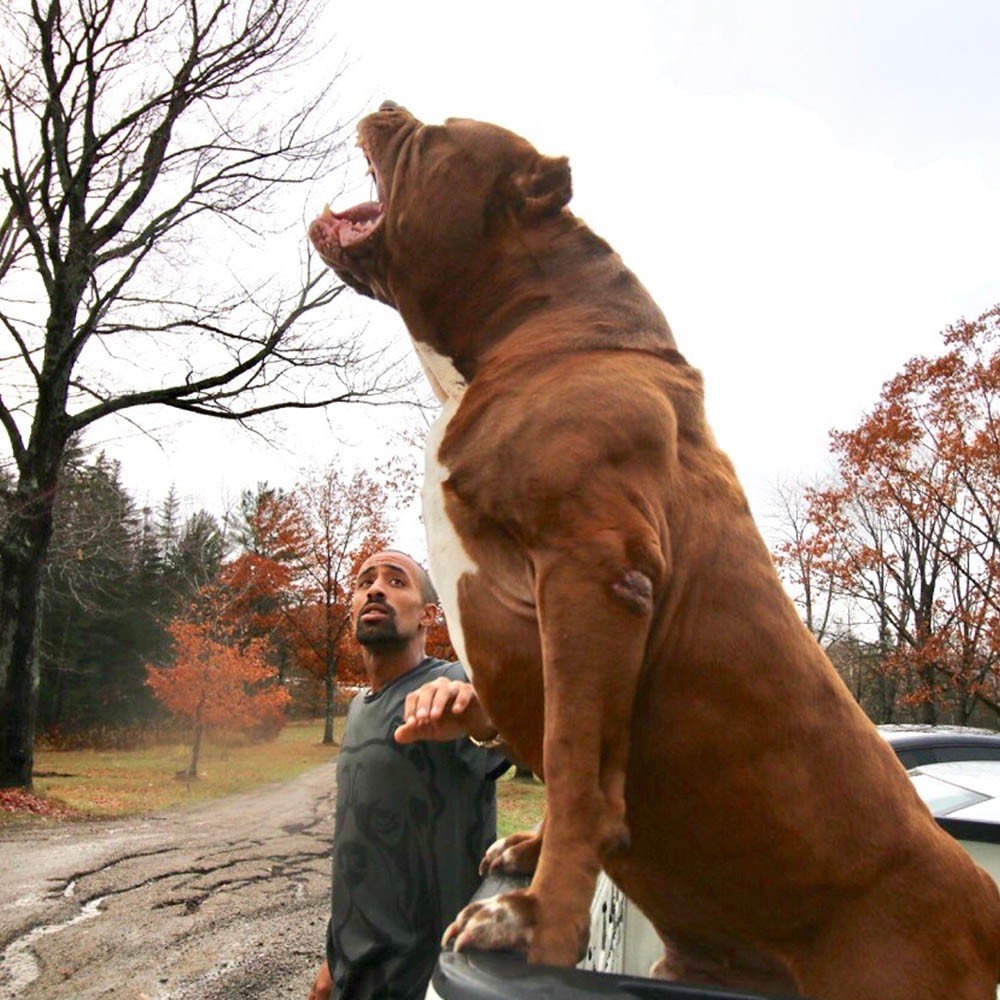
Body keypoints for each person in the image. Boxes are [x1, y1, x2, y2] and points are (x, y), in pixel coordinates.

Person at [308, 549, 508, 1000]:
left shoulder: (455, 684)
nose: (375, 588)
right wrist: (332, 958)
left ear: (428, 616)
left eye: (396, 581)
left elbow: (534, 750)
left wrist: (483, 719)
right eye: (364, 583)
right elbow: (356, 849)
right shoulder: (360, 707)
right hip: (351, 974)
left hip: (423, 980)